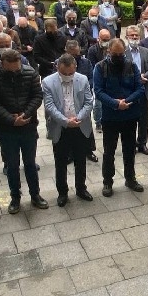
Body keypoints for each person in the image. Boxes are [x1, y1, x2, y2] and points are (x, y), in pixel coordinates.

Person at [0, 49, 48, 213]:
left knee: (30, 164)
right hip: (6, 129)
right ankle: (15, 197)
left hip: (28, 125)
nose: (14, 71)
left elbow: (37, 96)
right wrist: (12, 119)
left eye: (17, 68)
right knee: (12, 166)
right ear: (1, 64)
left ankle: (35, 195)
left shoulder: (30, 72)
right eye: (10, 69)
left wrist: (25, 115)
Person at [93, 38, 145, 197]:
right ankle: (107, 181)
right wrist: (116, 104)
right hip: (110, 117)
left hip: (130, 115)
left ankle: (130, 178)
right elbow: (98, 91)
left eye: (121, 54)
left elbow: (140, 88)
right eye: (115, 54)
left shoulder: (131, 65)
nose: (118, 56)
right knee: (109, 151)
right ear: (108, 52)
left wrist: (126, 102)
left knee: (129, 150)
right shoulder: (100, 67)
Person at [42, 53, 94, 207]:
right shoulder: (47, 82)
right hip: (60, 128)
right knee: (60, 162)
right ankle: (62, 192)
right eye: (63, 73)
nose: (67, 76)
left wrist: (79, 118)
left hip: (80, 126)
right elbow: (49, 106)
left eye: (70, 73)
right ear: (58, 68)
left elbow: (89, 102)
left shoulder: (82, 79)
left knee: (80, 160)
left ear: (75, 68)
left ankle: (81, 188)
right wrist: (65, 121)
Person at [126, 25, 148, 155]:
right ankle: (130, 144)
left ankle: (142, 143)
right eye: (131, 35)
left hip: (144, 90)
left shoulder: (146, 51)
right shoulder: (123, 53)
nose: (134, 37)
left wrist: (146, 76)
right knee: (130, 120)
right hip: (129, 91)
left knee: (144, 119)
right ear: (126, 37)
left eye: (136, 35)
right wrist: (136, 78)